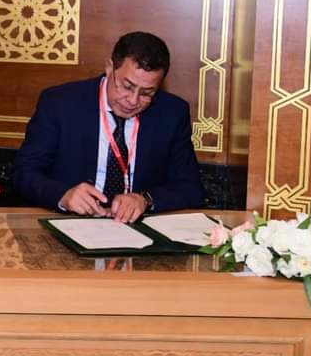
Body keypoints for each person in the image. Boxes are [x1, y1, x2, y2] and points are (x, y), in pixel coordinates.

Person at [12, 31, 204, 223]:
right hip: (70, 221)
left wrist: (145, 199)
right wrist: (63, 195)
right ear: (110, 68)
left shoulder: (172, 113)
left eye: (147, 93)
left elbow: (190, 188)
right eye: (127, 86)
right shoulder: (60, 103)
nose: (133, 101)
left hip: (135, 227)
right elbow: (24, 172)